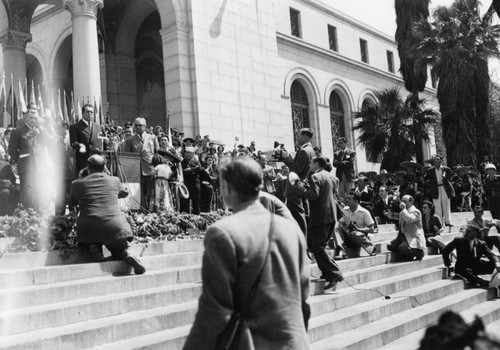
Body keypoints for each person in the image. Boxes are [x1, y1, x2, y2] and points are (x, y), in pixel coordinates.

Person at [183, 156, 310, 350]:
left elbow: (215, 311)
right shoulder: (292, 231)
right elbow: (303, 301)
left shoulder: (222, 233)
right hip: (295, 342)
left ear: (225, 187)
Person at [70, 155, 145, 274]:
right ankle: (126, 253)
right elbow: (124, 193)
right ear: (105, 167)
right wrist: (108, 176)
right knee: (119, 247)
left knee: (92, 237)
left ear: (88, 168)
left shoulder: (77, 184)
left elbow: (72, 204)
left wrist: (80, 179)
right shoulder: (114, 180)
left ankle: (95, 248)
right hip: (114, 226)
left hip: (88, 228)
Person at [297, 156, 343, 290]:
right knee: (319, 246)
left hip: (321, 217)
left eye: (311, 163)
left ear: (317, 164)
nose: (310, 165)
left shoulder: (315, 177)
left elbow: (313, 195)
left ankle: (335, 274)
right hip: (330, 216)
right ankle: (328, 273)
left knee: (318, 247)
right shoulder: (328, 175)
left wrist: (300, 187)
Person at [281, 128, 315, 235]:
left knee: (297, 217)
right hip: (301, 185)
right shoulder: (310, 150)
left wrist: (286, 158)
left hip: (295, 186)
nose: (297, 138)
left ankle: (301, 244)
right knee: (302, 214)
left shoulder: (304, 151)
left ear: (305, 137)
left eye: (299, 136)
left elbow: (295, 170)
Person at [123, 117, 159, 211]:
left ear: (145, 127)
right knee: (140, 194)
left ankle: (153, 214)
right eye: (136, 125)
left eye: (140, 125)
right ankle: (142, 214)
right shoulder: (130, 140)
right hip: (137, 171)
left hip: (150, 170)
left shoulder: (152, 137)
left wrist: (156, 168)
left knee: (151, 194)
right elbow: (128, 158)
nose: (138, 127)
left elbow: (157, 155)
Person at [336, 189, 377, 258]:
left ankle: (372, 248)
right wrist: (345, 228)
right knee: (336, 228)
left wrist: (359, 229)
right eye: (346, 198)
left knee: (356, 233)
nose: (347, 200)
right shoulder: (345, 210)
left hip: (358, 238)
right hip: (347, 237)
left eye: (349, 199)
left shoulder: (364, 212)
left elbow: (372, 229)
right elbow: (340, 223)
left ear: (355, 201)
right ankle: (341, 250)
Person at [387, 195, 426, 260]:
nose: (403, 203)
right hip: (403, 236)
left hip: (413, 236)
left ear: (411, 201)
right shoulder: (403, 211)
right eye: (402, 201)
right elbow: (398, 218)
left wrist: (403, 209)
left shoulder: (416, 211)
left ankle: (419, 252)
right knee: (390, 246)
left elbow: (409, 220)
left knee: (402, 248)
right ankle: (407, 254)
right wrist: (390, 214)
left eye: (405, 201)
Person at [69, 104, 104, 173]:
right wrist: (79, 146)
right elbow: (73, 142)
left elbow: (101, 141)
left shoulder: (98, 126)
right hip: (84, 160)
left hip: (98, 160)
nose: (90, 114)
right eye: (87, 112)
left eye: (91, 112)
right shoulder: (75, 127)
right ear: (82, 113)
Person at [425, 154, 455, 226]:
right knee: (437, 205)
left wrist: (446, 178)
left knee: (446, 204)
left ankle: (448, 221)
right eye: (435, 160)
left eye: (437, 160)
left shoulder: (446, 169)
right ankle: (439, 222)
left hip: (445, 188)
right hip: (436, 188)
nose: (436, 161)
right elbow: (428, 179)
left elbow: (451, 176)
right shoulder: (430, 170)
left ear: (441, 161)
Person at [180, 146, 202, 214]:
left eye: (190, 153)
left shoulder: (196, 161)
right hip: (186, 184)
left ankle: (197, 217)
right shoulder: (182, 162)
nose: (188, 154)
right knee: (185, 203)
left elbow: (199, 169)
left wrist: (190, 169)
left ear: (193, 154)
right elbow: (182, 171)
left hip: (195, 184)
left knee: (196, 203)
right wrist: (193, 170)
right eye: (187, 153)